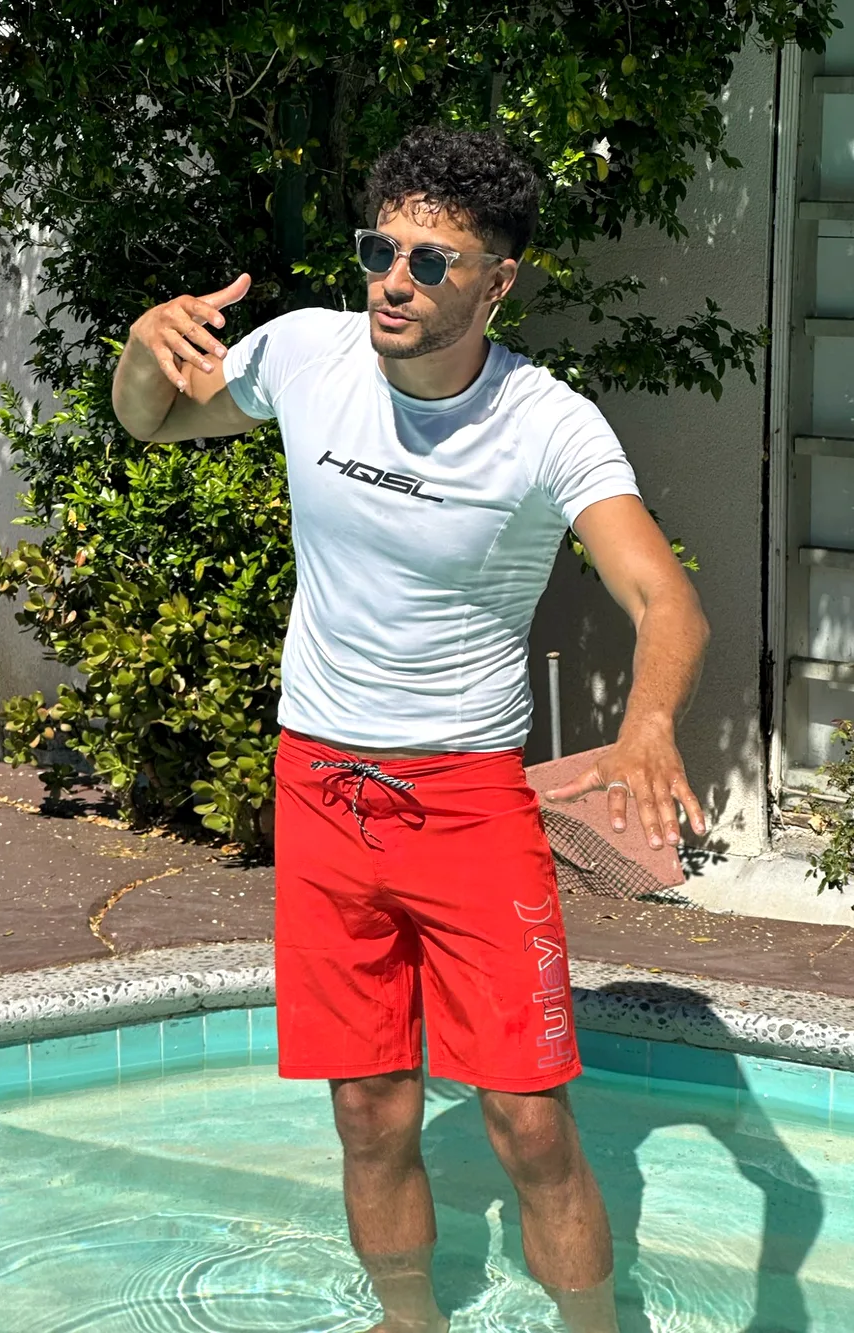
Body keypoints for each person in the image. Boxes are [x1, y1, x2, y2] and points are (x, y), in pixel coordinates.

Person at [112, 125, 710, 1333]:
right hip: (319, 787)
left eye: (432, 261)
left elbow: (664, 596)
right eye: (380, 248)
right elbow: (153, 422)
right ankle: (406, 1322)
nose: (394, 277)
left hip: (466, 804)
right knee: (368, 1107)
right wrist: (140, 351)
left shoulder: (547, 424)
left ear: (496, 283)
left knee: (528, 1120)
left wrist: (646, 723)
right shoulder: (305, 355)